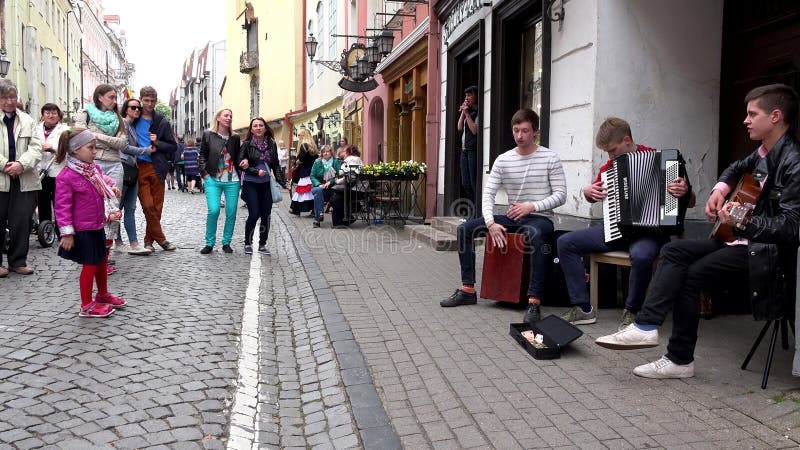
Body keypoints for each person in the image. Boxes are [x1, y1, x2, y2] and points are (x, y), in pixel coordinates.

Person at [595, 84, 800, 379]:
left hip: (765, 252)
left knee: (690, 277)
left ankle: (679, 360)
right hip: (739, 239)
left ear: (776, 116)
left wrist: (741, 219)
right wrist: (721, 189)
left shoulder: (793, 161)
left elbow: (791, 227)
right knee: (673, 250)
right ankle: (647, 326)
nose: (745, 120)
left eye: (752, 114)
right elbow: (735, 167)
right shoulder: (763, 152)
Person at [554, 118, 693, 328]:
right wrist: (587, 193)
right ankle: (582, 308)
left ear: (627, 140)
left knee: (641, 255)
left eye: (612, 150)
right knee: (565, 242)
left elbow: (690, 202)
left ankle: (632, 312)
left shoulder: (666, 162)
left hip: (651, 233)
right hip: (616, 229)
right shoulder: (609, 168)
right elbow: (595, 194)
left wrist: (685, 192)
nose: (610, 156)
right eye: (606, 152)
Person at [440, 108, 567, 324]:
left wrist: (532, 206)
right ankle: (468, 289)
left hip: (540, 218)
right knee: (464, 229)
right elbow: (488, 194)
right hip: (512, 217)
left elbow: (561, 195)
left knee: (535, 234)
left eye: (525, 131)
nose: (519, 136)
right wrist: (490, 223)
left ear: (535, 131)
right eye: (516, 130)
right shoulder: (503, 159)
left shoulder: (550, 157)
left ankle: (534, 300)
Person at [54, 128, 126, 317]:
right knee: (90, 264)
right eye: (91, 148)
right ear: (76, 150)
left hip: (97, 224)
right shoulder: (66, 176)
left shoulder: (94, 169)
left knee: (102, 261)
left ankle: (102, 294)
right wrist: (67, 233)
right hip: (82, 229)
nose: (95, 152)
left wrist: (111, 186)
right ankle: (86, 305)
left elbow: (102, 179)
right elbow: (62, 208)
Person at [0, 79, 42, 276]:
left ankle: (17, 261)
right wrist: (5, 165)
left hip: (24, 179)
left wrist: (21, 165)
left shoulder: (27, 120)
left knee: (22, 221)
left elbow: (36, 147)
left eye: (12, 97)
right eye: (5, 97)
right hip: (2, 177)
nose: (9, 101)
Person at [136, 86, 178, 252]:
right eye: (146, 100)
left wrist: (158, 142)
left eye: (152, 101)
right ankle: (161, 239)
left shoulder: (162, 121)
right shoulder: (134, 118)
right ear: (141, 100)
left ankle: (148, 241)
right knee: (147, 205)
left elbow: (173, 146)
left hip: (157, 167)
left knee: (157, 206)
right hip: (138, 166)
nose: (150, 104)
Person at [113, 98, 156, 256]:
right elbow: (123, 147)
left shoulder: (132, 125)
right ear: (126, 109)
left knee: (130, 208)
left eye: (138, 108)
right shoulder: (122, 123)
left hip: (132, 169)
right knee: (117, 208)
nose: (137, 110)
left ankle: (134, 243)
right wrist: (146, 150)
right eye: (133, 107)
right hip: (123, 168)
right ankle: (117, 242)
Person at [238, 117, 287, 255]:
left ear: (265, 128)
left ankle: (262, 245)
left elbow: (276, 165)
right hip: (250, 183)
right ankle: (248, 243)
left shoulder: (271, 144)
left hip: (265, 185)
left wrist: (283, 182)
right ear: (251, 129)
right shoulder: (247, 144)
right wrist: (254, 170)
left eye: (261, 125)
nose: (258, 128)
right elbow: (240, 163)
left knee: (266, 215)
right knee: (254, 213)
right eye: (255, 126)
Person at [199, 108, 241, 254]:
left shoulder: (235, 137)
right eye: (225, 115)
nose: (228, 118)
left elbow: (238, 156)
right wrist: (204, 173)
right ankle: (209, 243)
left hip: (233, 180)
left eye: (230, 116)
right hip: (212, 178)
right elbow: (202, 155)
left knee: (231, 212)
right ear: (218, 118)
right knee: (214, 210)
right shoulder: (208, 135)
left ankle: (226, 242)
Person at [35, 103, 69, 228]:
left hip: (58, 171)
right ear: (43, 115)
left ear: (58, 115)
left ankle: (61, 229)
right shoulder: (35, 129)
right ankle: (45, 229)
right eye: (47, 113)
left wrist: (52, 147)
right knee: (42, 201)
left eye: (54, 113)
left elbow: (68, 148)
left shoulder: (65, 130)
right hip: (40, 170)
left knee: (59, 202)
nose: (51, 115)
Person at [330, 145, 364, 227]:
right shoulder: (351, 159)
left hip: (356, 189)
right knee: (335, 198)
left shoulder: (353, 159)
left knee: (336, 199)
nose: (342, 152)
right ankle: (344, 220)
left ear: (349, 152)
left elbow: (351, 176)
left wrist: (339, 181)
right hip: (354, 187)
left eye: (344, 151)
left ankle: (342, 221)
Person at [458, 85, 479, 215]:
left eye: (469, 95)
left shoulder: (477, 112)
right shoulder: (468, 112)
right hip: (464, 151)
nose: (467, 98)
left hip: (473, 150)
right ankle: (472, 210)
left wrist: (467, 114)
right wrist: (463, 113)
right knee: (465, 182)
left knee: (473, 182)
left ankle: (476, 211)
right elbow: (459, 127)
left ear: (475, 96)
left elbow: (474, 130)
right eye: (466, 95)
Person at [310, 144, 341, 227]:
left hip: (332, 187)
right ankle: (319, 216)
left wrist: (330, 182)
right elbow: (312, 176)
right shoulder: (317, 162)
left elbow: (339, 175)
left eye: (327, 151)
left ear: (331, 152)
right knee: (318, 191)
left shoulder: (336, 162)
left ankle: (337, 220)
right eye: (323, 152)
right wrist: (319, 184)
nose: (325, 153)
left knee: (337, 195)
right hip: (319, 187)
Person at [289, 128, 317, 216]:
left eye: (299, 135)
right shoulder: (313, 146)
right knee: (310, 192)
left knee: (301, 191)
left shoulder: (304, 145)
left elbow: (301, 159)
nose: (299, 138)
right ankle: (312, 210)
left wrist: (296, 162)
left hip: (305, 171)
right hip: (312, 170)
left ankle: (296, 209)